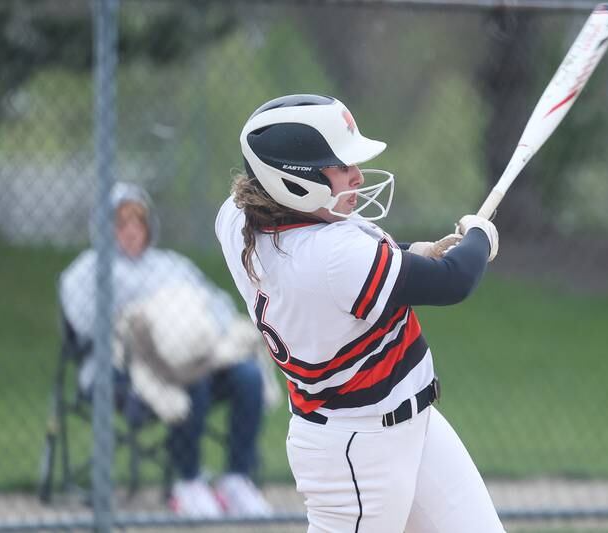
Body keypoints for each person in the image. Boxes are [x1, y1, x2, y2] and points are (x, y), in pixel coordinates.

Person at [215, 94, 505, 532]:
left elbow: (355, 266)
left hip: (412, 425)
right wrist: (480, 239)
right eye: (339, 165)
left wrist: (412, 254)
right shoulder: (332, 256)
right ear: (293, 181)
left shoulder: (239, 219)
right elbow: (453, 282)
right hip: (359, 450)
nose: (357, 176)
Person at [60, 182, 279, 518]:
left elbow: (216, 305)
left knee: (247, 377)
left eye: (138, 223)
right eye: (121, 224)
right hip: (125, 375)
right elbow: (88, 325)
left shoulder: (171, 265)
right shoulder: (88, 270)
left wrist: (196, 333)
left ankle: (236, 480)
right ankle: (187, 482)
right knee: (195, 381)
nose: (131, 231)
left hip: (190, 360)